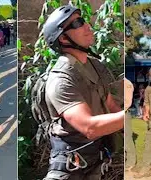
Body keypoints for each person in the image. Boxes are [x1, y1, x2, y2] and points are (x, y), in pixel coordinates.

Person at [42, 5, 124, 179]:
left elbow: (108, 103)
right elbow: (89, 127)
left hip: (96, 160)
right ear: (63, 38)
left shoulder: (96, 66)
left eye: (83, 19)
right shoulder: (60, 79)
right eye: (78, 23)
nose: (87, 25)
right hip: (70, 166)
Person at [124, 78, 137, 171]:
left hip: (123, 113)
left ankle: (131, 161)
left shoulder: (127, 84)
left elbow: (127, 102)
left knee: (127, 138)